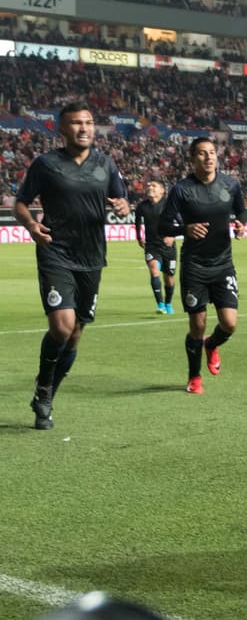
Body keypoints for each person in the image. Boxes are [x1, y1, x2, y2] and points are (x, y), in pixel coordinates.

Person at [14, 101, 129, 429]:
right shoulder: (46, 164)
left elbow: (120, 200)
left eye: (89, 122)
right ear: (61, 129)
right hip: (55, 251)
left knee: (76, 332)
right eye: (76, 123)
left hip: (91, 257)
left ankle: (46, 392)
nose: (84, 128)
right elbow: (21, 203)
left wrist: (122, 205)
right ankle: (45, 392)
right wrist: (32, 226)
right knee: (61, 326)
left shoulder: (106, 165)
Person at [161, 137, 247, 395]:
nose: (209, 157)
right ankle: (194, 376)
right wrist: (184, 229)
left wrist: (241, 224)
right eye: (202, 153)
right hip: (195, 266)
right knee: (197, 325)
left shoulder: (230, 185)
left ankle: (212, 344)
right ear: (192, 159)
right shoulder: (182, 190)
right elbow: (163, 226)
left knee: (230, 323)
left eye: (212, 152)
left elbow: (241, 211)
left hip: (223, 264)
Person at [135, 180, 176, 314]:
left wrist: (173, 235)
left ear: (162, 191)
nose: (150, 187)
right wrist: (139, 237)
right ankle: (160, 304)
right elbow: (137, 222)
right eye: (148, 185)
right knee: (154, 270)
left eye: (154, 186)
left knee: (169, 278)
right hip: (152, 246)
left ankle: (168, 303)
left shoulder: (169, 205)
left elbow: (181, 222)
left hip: (168, 247)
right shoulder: (142, 206)